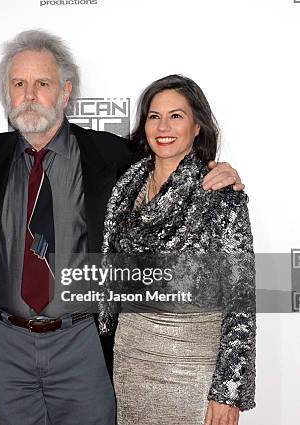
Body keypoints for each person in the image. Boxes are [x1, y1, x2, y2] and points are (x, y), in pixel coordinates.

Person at [0, 30, 246, 425]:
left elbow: (171, 159)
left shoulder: (113, 156)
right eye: (19, 84)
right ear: (7, 93)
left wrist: (221, 171)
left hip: (84, 341)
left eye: (43, 83)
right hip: (5, 344)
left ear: (66, 91)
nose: (30, 94)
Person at [100, 75, 256, 425]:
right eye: (154, 116)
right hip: (131, 358)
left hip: (192, 364)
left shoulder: (220, 195)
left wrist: (227, 391)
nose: (163, 126)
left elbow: (240, 302)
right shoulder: (126, 187)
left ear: (197, 125)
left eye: (176, 116)